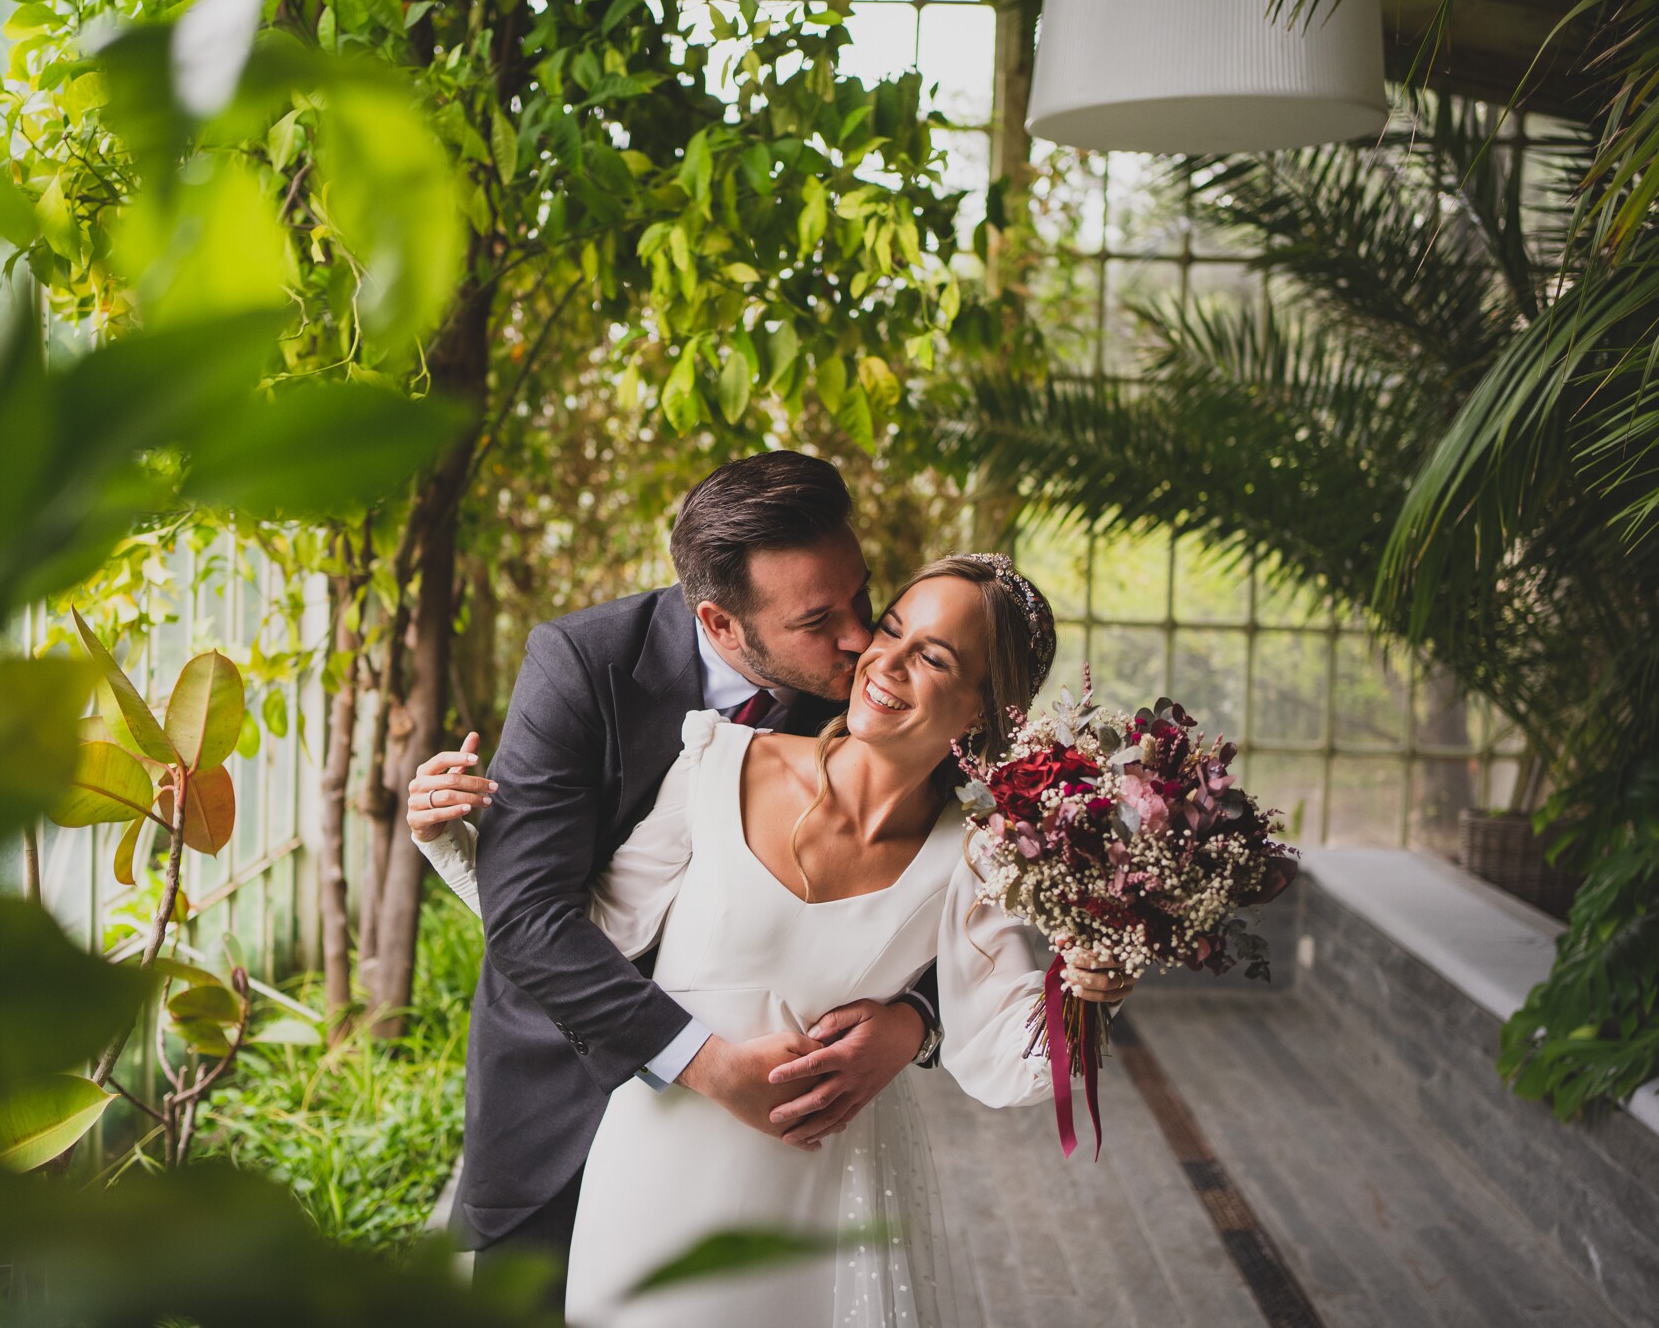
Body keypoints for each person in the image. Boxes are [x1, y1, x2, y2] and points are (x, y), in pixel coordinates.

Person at [415, 552, 1134, 1326]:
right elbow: (592, 934)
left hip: (820, 1188)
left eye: (932, 656)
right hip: (651, 1171)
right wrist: (461, 845)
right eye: (892, 627)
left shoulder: (976, 856)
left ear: (984, 712)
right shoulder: (718, 759)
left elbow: (1005, 1051)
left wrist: (1097, 984)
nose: (881, 657)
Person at [409, 453, 959, 1301]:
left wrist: (912, 1022)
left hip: (772, 1157)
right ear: (721, 621)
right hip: (563, 1099)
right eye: (819, 619)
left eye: (864, 598)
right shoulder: (578, 665)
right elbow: (529, 921)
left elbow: (950, 885)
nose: (859, 639)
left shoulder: (880, 697)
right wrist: (702, 1062)